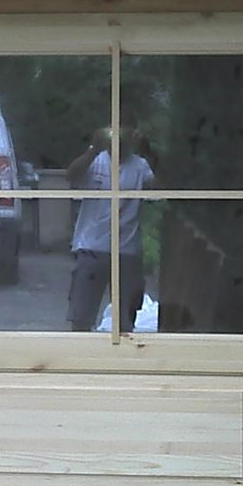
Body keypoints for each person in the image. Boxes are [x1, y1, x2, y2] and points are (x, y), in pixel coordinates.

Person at [66, 125, 154, 332]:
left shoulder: (140, 166)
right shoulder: (95, 161)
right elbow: (71, 176)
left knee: (125, 320)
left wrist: (150, 152)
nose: (119, 144)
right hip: (91, 247)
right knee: (81, 315)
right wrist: (93, 149)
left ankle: (121, 360)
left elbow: (165, 185)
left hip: (127, 249)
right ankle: (81, 359)